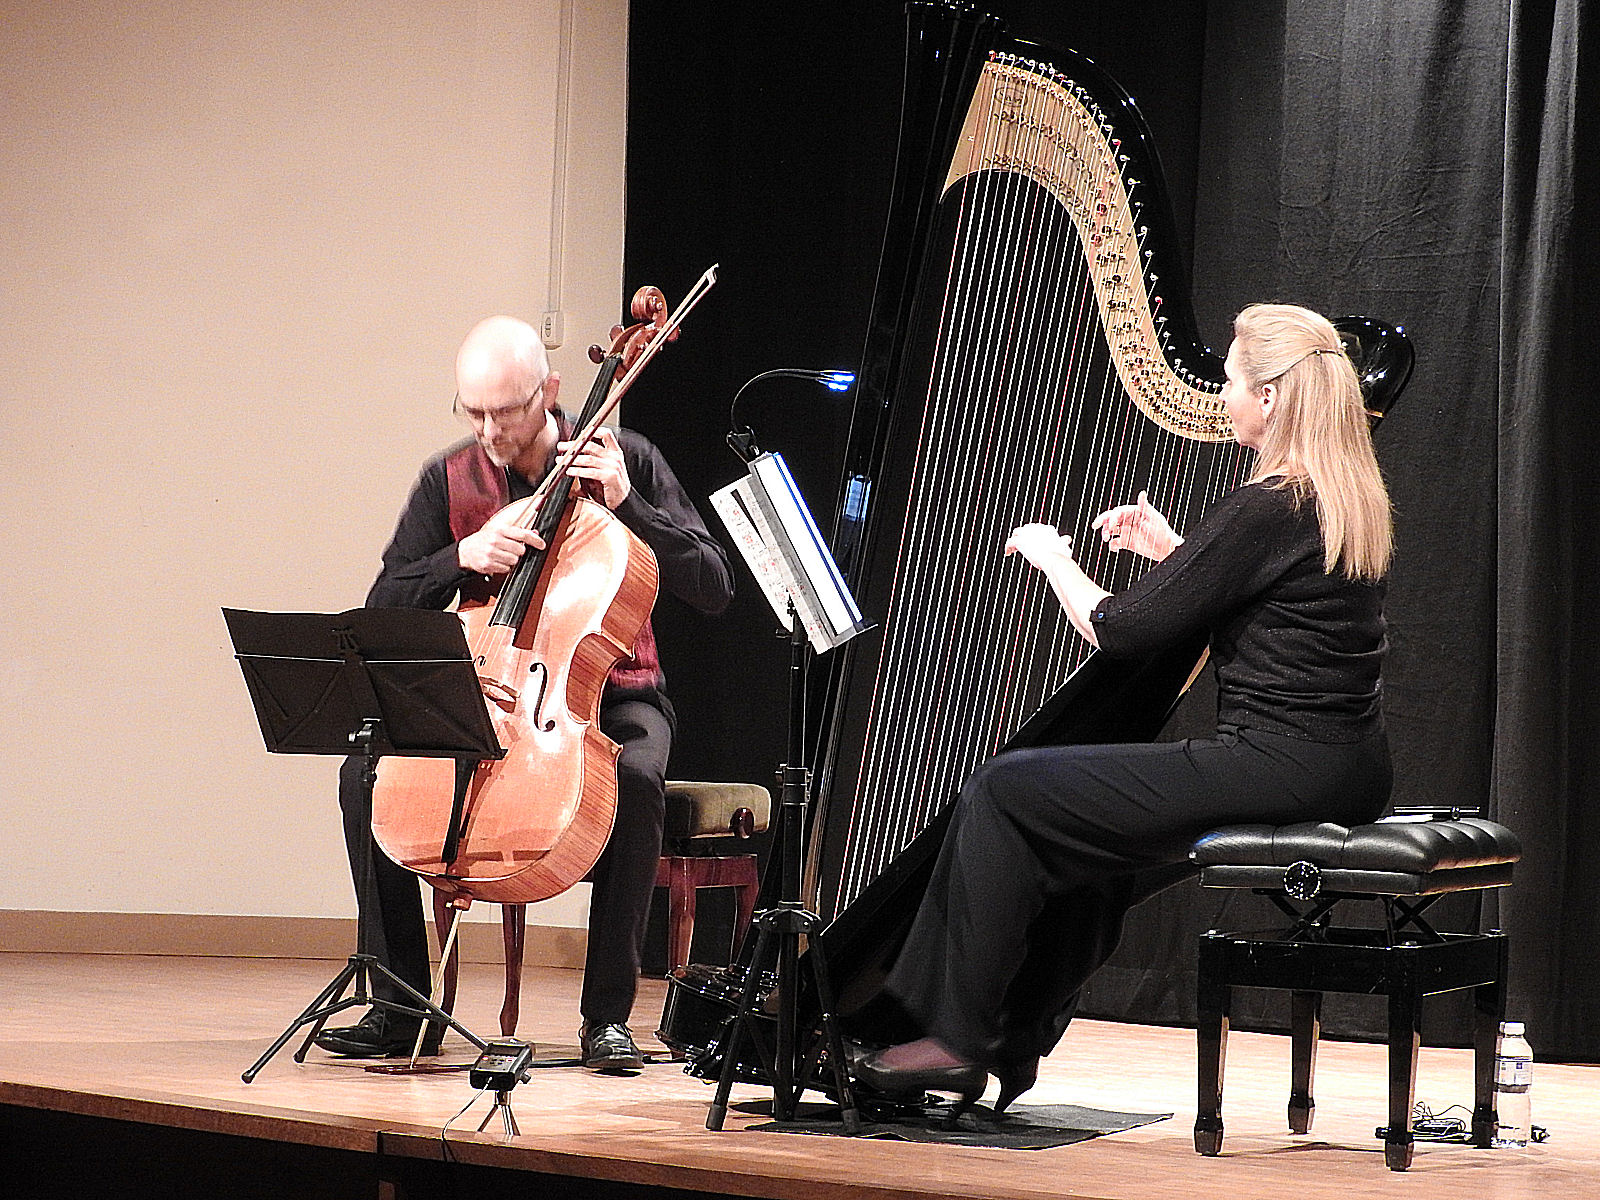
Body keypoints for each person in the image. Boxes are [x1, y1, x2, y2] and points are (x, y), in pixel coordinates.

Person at [852, 303, 1395, 1115]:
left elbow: (1123, 632)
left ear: (1273, 399)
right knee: (1085, 852)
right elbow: (1273, 610)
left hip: (1278, 764)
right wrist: (1176, 554)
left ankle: (955, 1040)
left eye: (1234, 380)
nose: (1222, 393)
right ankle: (1010, 1035)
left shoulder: (1267, 503)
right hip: (1346, 768)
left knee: (1006, 791)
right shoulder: (1337, 496)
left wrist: (1054, 560)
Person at [316, 315, 733, 1069]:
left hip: (615, 689)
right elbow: (384, 601)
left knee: (634, 779)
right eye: (471, 411)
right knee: (361, 773)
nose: (487, 430)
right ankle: (402, 1004)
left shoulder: (625, 456)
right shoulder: (448, 479)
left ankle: (606, 1016)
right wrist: (461, 555)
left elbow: (714, 583)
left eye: (503, 412)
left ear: (550, 391)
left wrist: (630, 505)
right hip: (487, 686)